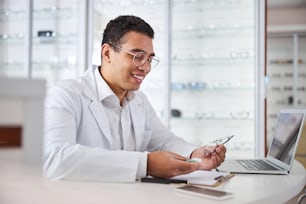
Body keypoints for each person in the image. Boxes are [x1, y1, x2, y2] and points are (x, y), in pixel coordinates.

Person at [43, 15, 226, 182]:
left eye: (149, 59)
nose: (145, 68)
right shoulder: (65, 94)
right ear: (107, 53)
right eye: (138, 56)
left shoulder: (138, 100)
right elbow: (54, 158)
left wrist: (194, 154)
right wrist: (144, 164)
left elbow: (164, 140)